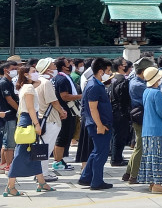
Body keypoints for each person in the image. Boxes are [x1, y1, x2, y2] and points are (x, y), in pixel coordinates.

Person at [4, 66, 54, 197]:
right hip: (29, 121)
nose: (36, 73)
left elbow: (38, 83)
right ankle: (10, 185)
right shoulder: (29, 88)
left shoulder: (26, 87)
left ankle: (42, 182)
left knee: (33, 153)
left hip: (27, 120)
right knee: (21, 153)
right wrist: (37, 124)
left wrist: (36, 78)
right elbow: (31, 108)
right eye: (33, 71)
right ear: (26, 75)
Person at [78, 58, 114, 190]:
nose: (109, 73)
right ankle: (97, 181)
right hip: (98, 124)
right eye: (108, 71)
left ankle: (86, 177)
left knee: (96, 151)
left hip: (97, 123)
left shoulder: (95, 83)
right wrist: (99, 125)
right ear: (100, 71)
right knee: (101, 153)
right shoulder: (94, 86)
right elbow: (93, 108)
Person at [138, 67, 162, 194]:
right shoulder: (157, 93)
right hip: (157, 129)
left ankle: (152, 182)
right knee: (158, 156)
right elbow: (161, 110)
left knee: (150, 156)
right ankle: (157, 184)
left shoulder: (146, 92)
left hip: (147, 129)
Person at [124, 56, 155, 184]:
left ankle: (128, 173)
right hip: (141, 117)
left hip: (140, 116)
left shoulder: (135, 81)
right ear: (143, 71)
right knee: (141, 147)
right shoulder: (139, 85)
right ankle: (134, 176)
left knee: (139, 146)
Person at [34, 58, 67, 167]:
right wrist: (62, 112)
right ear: (47, 69)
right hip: (50, 119)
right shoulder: (46, 83)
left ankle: (40, 172)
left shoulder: (37, 82)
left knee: (42, 146)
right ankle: (43, 172)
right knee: (46, 148)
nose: (55, 67)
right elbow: (53, 101)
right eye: (53, 65)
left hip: (41, 117)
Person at [52, 58, 80, 173]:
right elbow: (64, 96)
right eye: (68, 63)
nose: (70, 65)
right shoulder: (62, 79)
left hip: (65, 111)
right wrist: (81, 96)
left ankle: (59, 160)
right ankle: (58, 161)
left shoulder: (60, 77)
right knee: (62, 137)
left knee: (63, 137)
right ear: (63, 67)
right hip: (65, 111)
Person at [0, 61, 20, 173]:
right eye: (13, 68)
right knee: (10, 143)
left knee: (5, 142)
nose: (16, 70)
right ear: (6, 70)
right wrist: (19, 110)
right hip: (8, 116)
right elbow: (9, 100)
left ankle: (3, 164)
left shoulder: (6, 82)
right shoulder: (4, 83)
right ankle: (9, 166)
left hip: (6, 115)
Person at [109, 58, 133, 167]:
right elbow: (124, 97)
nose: (126, 66)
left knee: (116, 135)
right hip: (121, 111)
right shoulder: (122, 80)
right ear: (120, 67)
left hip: (114, 109)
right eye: (124, 64)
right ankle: (116, 159)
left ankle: (116, 156)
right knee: (120, 136)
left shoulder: (113, 78)